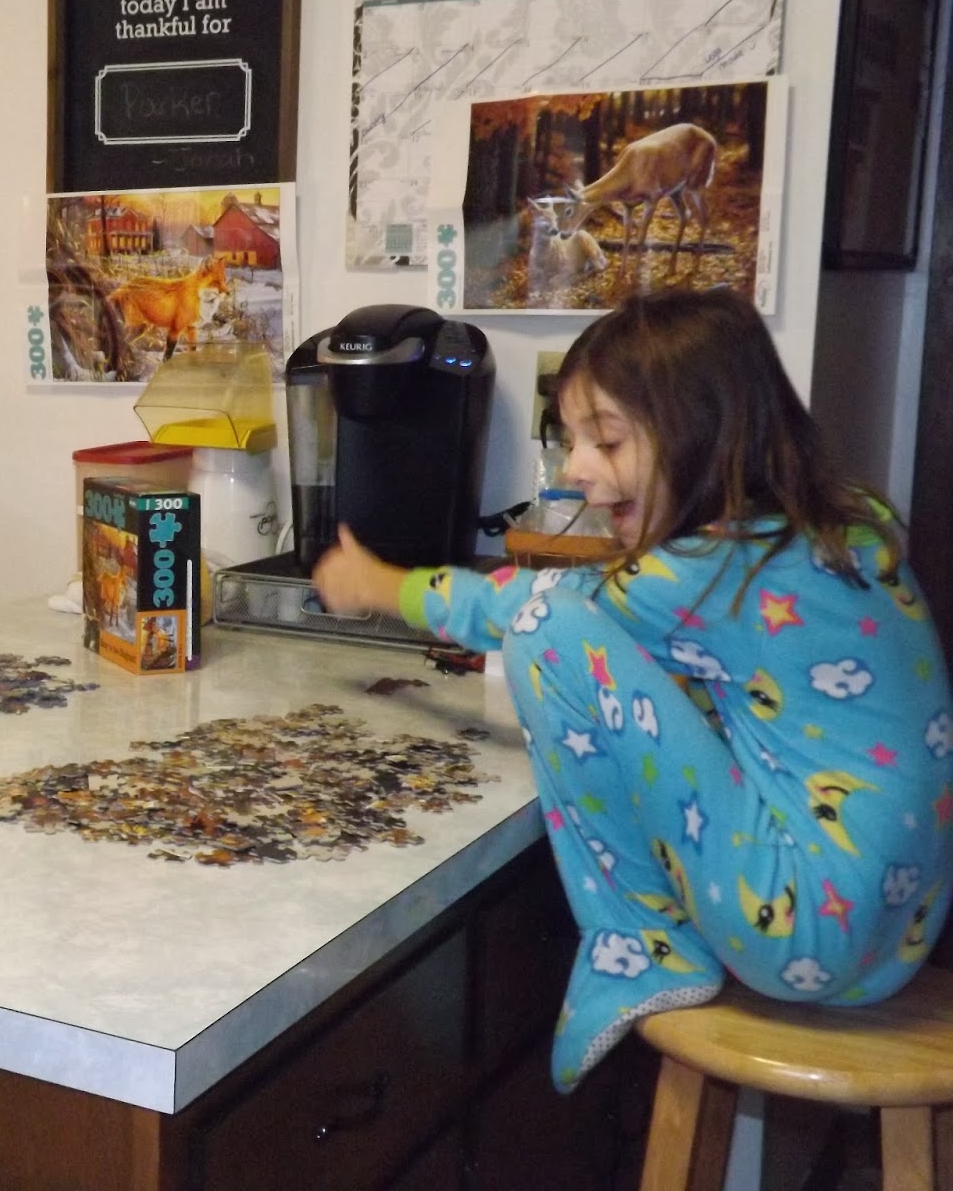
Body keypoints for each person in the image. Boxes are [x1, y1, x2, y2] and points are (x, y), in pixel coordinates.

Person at [313, 287, 953, 1093]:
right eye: (572, 440)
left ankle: (639, 944)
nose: (577, 471)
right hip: (898, 943)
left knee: (545, 627)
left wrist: (385, 585)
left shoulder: (716, 571)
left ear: (704, 434)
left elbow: (535, 609)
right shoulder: (837, 532)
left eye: (606, 440)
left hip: (801, 931)